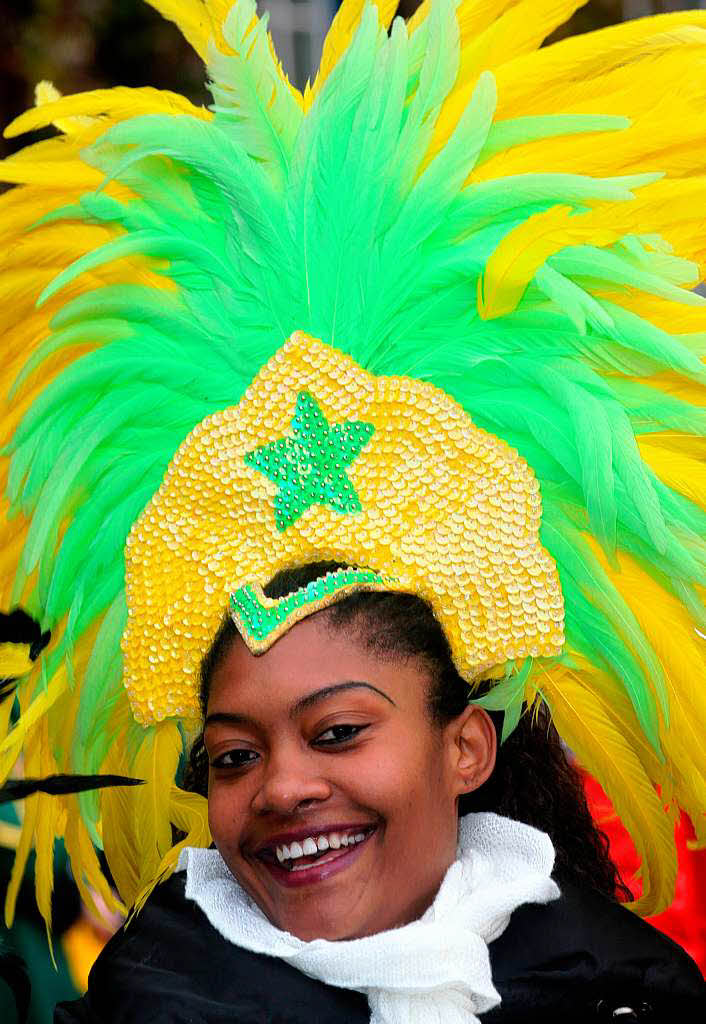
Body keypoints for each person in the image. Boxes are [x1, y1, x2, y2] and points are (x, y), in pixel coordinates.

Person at [1, 0, 705, 1020]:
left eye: (335, 731)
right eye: (234, 754)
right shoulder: (160, 1001)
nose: (280, 785)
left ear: (465, 746)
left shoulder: (622, 992)